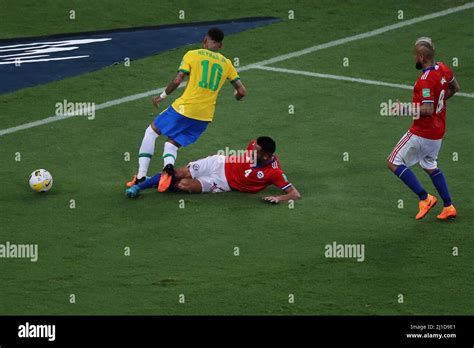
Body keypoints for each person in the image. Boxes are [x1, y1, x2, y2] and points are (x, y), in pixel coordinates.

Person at [126, 27, 247, 192]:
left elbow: (177, 80)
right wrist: (236, 96)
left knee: (151, 132)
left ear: (205, 40)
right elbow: (241, 91)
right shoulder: (226, 63)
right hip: (204, 117)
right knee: (172, 143)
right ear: (221, 45)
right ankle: (168, 171)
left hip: (184, 108)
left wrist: (161, 96)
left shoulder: (192, 54)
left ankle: (140, 176)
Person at [387, 37, 460, 220]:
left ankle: (424, 198)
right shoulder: (443, 68)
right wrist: (439, 104)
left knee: (393, 161)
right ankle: (449, 206)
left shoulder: (425, 80)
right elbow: (455, 88)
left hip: (422, 132)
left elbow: (427, 110)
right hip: (438, 132)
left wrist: (403, 108)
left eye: (415, 56)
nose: (414, 59)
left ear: (421, 57)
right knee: (430, 165)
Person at [125, 137, 301, 204]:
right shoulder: (255, 146)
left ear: (265, 155)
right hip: (218, 163)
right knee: (178, 173)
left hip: (223, 183)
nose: (250, 151)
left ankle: (155, 180)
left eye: (255, 151)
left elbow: (295, 194)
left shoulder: (274, 172)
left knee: (184, 185)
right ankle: (140, 185)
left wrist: (279, 198)